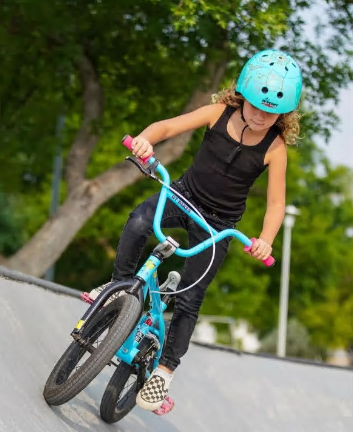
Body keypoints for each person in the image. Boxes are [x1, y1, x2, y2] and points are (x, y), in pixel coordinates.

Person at [89, 49, 303, 413]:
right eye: (255, 106)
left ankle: (165, 371)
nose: (261, 116)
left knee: (191, 297)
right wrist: (145, 139)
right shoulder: (218, 114)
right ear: (243, 95)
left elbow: (276, 204)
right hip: (182, 195)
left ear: (284, 114)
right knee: (139, 221)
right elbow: (168, 126)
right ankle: (117, 289)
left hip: (218, 225)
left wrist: (265, 239)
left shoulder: (275, 148)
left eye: (271, 113)